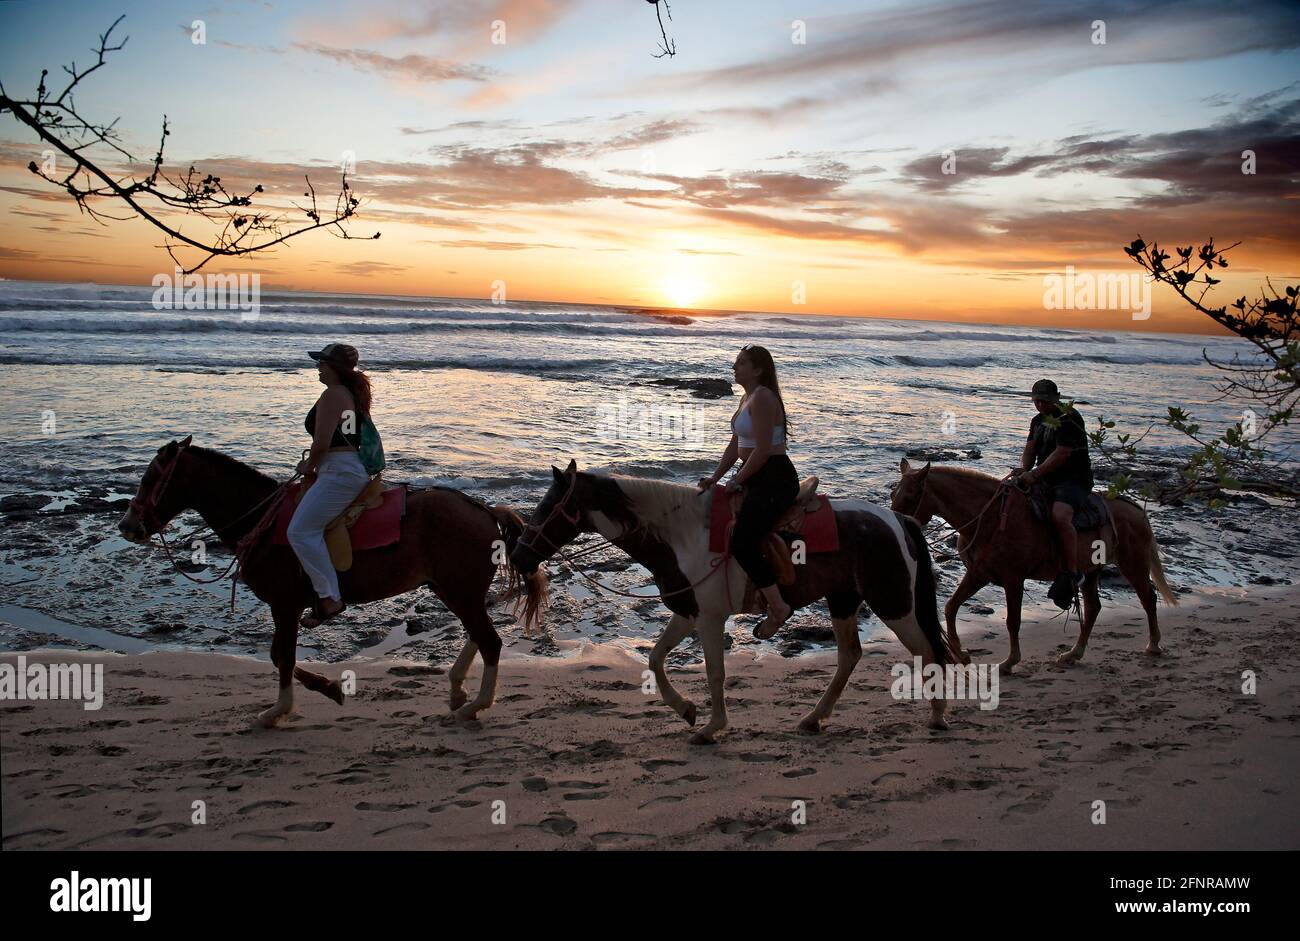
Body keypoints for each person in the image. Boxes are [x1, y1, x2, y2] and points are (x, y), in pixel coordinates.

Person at [697, 345, 799, 640]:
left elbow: (764, 450)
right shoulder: (747, 397)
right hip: (756, 475)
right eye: (736, 362)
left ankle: (778, 607)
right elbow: (735, 445)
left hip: (774, 478)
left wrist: (738, 479)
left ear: (758, 370)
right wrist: (715, 477)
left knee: (743, 541)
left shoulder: (764, 397)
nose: (734, 367)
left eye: (740, 363)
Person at [288, 343, 373, 628]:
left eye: (323, 363)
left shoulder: (332, 395)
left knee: (300, 531)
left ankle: (329, 597)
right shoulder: (351, 393)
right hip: (344, 468)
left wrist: (307, 466)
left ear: (334, 368)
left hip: (339, 472)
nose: (318, 367)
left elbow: (321, 444)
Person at [1014, 378, 1094, 592]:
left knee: (1060, 515)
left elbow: (1062, 453)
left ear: (1057, 399)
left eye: (1045, 401)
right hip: (1045, 479)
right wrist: (1024, 469)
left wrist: (1034, 474)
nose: (1041, 405)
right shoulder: (1037, 421)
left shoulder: (1069, 418)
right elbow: (1030, 449)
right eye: (1037, 401)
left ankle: (1071, 571)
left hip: (1072, 480)